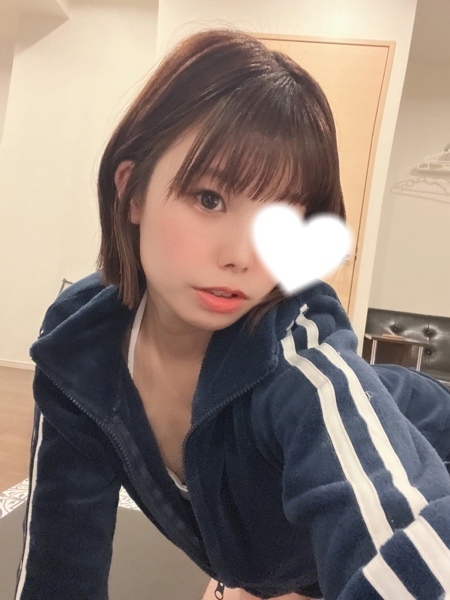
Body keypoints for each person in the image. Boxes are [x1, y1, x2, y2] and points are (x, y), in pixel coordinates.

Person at [15, 28, 450, 600]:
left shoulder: (300, 362)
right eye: (209, 199)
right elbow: (60, 556)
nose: (243, 256)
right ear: (133, 191)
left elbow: (405, 547)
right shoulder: (81, 345)